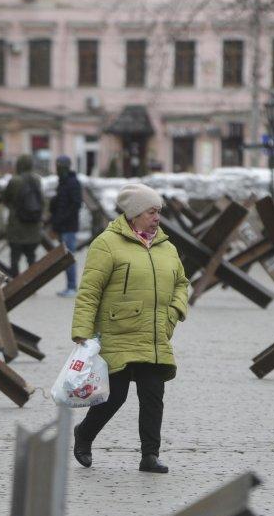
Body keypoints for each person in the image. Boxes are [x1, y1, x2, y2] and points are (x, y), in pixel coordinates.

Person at [70, 182, 189, 474]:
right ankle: (84, 435)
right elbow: (89, 291)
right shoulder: (107, 243)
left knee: (153, 395)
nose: (157, 218)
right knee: (115, 395)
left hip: (154, 334)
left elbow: (182, 284)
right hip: (117, 332)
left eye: (159, 212)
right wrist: (82, 332)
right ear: (134, 214)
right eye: (151, 212)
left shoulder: (167, 247)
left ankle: (150, 455)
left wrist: (174, 312)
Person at [1, 154, 45, 276]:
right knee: (31, 257)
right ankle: (32, 284)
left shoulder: (14, 181)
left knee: (15, 258)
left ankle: (15, 284)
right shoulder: (37, 180)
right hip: (33, 226)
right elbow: (41, 201)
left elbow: (5, 199)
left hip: (16, 226)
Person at [49, 155, 82, 296]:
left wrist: (60, 219)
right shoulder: (63, 182)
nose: (57, 169)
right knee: (65, 258)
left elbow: (75, 204)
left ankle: (72, 287)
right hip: (62, 226)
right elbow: (60, 204)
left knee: (69, 257)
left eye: (59, 166)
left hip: (68, 227)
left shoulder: (73, 183)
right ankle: (69, 286)